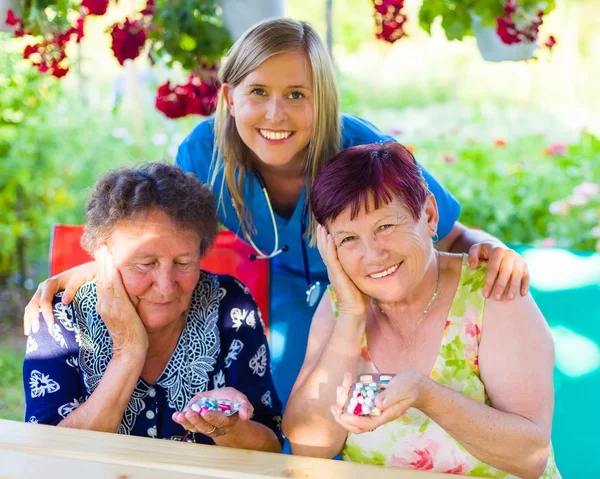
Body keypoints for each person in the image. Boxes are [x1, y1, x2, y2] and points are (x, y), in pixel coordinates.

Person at [24, 18, 529, 403]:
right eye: (258, 93)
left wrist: (493, 248)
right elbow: (168, 242)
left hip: (359, 289)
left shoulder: (365, 150)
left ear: (323, 99)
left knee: (345, 408)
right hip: (274, 288)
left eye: (296, 95)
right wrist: (94, 269)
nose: (275, 114)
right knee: (280, 406)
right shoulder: (203, 153)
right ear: (229, 97)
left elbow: (447, 233)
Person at [282, 143, 560, 478]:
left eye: (385, 227)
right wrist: (352, 316)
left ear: (429, 215)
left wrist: (426, 395)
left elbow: (530, 457)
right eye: (348, 239)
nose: (373, 255)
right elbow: (310, 446)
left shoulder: (490, 291)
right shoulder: (341, 304)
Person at [23, 162, 283, 451]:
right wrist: (128, 352)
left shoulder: (229, 304)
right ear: (104, 258)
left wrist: (232, 429)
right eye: (145, 264)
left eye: (184, 263)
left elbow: (270, 445)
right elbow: (48, 453)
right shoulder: (60, 315)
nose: (165, 286)